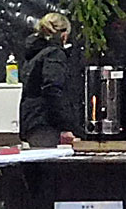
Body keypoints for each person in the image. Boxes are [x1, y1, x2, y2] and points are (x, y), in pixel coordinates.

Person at [17, 12, 80, 148]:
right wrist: (64, 126)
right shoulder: (54, 54)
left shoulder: (33, 54)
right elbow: (52, 90)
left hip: (31, 122)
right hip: (47, 125)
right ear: (64, 35)